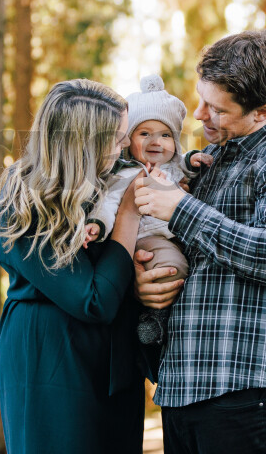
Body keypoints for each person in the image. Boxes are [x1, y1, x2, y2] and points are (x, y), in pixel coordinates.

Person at [133, 30, 266, 453]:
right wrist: (147, 280)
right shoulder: (213, 161)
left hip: (248, 392)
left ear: (262, 112)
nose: (198, 114)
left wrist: (179, 208)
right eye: (200, 98)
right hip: (184, 385)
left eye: (216, 108)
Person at [0, 79, 146, 454]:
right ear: (83, 145)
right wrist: (129, 215)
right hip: (51, 359)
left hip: (112, 363)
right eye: (117, 138)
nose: (125, 146)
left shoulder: (110, 182)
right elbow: (93, 299)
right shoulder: (25, 198)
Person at [82, 74, 212, 345]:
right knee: (170, 269)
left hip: (175, 235)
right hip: (145, 239)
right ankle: (155, 320)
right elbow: (109, 204)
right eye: (144, 134)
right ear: (128, 140)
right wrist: (98, 223)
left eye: (165, 135)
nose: (156, 142)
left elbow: (184, 165)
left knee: (182, 269)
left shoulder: (174, 167)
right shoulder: (126, 173)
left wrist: (193, 160)